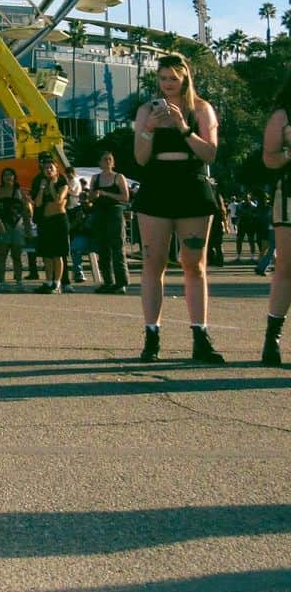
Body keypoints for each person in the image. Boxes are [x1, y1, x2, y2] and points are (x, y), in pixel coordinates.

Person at [133, 53, 223, 364]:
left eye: (173, 78)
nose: (168, 85)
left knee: (194, 264)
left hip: (191, 185)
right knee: (152, 262)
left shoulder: (201, 108)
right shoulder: (147, 110)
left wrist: (184, 127)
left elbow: (210, 154)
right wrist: (150, 129)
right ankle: (151, 335)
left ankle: (200, 335)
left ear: (185, 77)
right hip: (156, 186)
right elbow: (141, 158)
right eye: (163, 79)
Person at [260, 74, 291, 365]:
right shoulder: (283, 115)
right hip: (290, 194)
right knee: (287, 265)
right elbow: (269, 158)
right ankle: (273, 338)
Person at [91, 150, 130, 293]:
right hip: (100, 213)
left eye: (110, 159)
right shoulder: (95, 178)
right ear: (99, 163)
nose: (107, 162)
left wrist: (106, 193)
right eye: (104, 159)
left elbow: (125, 197)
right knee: (102, 248)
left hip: (115, 212)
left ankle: (121, 283)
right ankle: (108, 281)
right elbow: (91, 197)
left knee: (117, 247)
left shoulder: (119, 177)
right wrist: (92, 196)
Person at [30, 156, 69, 293]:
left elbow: (58, 200)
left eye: (50, 168)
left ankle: (57, 283)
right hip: (45, 222)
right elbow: (38, 203)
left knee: (57, 254)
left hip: (59, 221)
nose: (48, 170)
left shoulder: (62, 183)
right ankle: (48, 281)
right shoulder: (40, 182)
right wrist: (41, 188)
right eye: (45, 168)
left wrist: (52, 185)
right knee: (47, 254)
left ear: (56, 169)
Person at [0, 166, 30, 290]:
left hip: (17, 226)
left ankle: (19, 281)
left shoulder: (20, 192)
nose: (8, 177)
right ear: (2, 177)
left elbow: (25, 210)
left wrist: (27, 225)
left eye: (10, 174)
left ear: (14, 177)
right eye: (5, 175)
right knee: (2, 255)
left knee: (17, 255)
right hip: (3, 225)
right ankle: (2, 282)